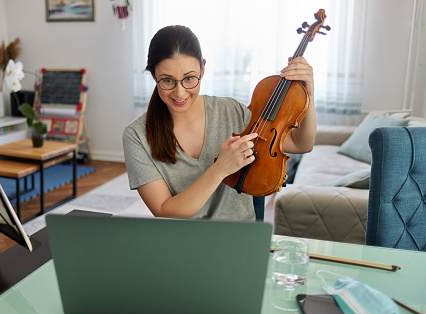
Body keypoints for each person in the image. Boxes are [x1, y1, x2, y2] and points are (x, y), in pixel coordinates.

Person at [123, 25, 316, 222]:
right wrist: (220, 168)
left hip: (239, 239)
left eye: (189, 78)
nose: (180, 92)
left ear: (203, 68)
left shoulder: (231, 111)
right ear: (154, 75)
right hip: (183, 243)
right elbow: (164, 210)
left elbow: (302, 144)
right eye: (167, 81)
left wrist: (308, 95)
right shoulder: (136, 135)